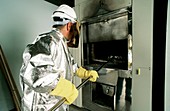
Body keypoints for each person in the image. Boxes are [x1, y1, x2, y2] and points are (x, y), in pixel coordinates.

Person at [19, 4, 99, 111]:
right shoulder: (48, 41)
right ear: (69, 25)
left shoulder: (60, 43)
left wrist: (85, 73)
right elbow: (36, 74)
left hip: (55, 103)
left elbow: (71, 64)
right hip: (41, 106)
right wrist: (65, 88)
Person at [116, 34, 132, 104]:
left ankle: (127, 96)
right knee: (120, 83)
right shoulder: (121, 45)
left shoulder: (131, 48)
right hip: (122, 67)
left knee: (129, 83)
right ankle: (117, 96)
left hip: (130, 67)